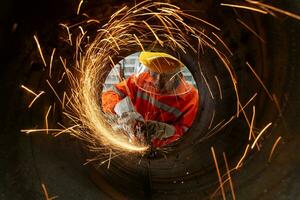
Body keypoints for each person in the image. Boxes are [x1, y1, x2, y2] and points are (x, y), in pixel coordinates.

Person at [102, 51, 199, 148]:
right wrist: (122, 110)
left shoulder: (191, 98)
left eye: (165, 76)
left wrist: (165, 130)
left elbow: (188, 135)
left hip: (165, 152)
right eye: (154, 74)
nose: (158, 81)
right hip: (133, 143)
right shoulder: (140, 80)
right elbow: (110, 94)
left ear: (177, 73)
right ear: (149, 70)